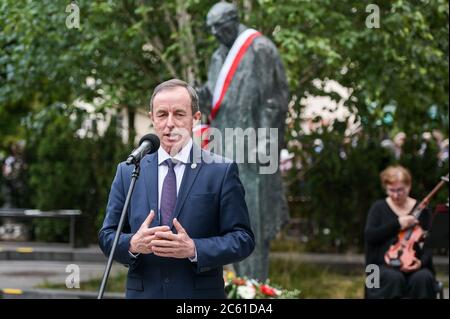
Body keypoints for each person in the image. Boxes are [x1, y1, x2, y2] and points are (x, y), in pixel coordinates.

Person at [98, 79, 255, 299]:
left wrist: (194, 249)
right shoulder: (129, 171)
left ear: (195, 119)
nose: (169, 123)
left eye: (179, 114)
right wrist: (133, 244)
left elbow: (243, 239)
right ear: (152, 118)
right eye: (162, 114)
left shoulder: (221, 171)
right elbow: (107, 235)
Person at [196, 1, 289, 281]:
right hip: (224, 147)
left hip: (253, 150)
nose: (214, 33)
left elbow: (276, 100)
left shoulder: (260, 49)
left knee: (254, 222)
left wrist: (265, 141)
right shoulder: (216, 57)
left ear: (233, 21)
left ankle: (255, 289)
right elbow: (215, 97)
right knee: (228, 220)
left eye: (219, 27)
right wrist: (197, 96)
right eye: (210, 28)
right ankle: (238, 286)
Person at [364, 165, 436, 299]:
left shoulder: (423, 210)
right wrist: (398, 224)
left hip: (416, 265)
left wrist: (421, 263)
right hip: (379, 266)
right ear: (386, 188)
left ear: (409, 186)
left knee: (423, 278)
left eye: (400, 190)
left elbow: (429, 245)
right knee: (393, 278)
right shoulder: (378, 208)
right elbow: (370, 236)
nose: (396, 195)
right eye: (391, 190)